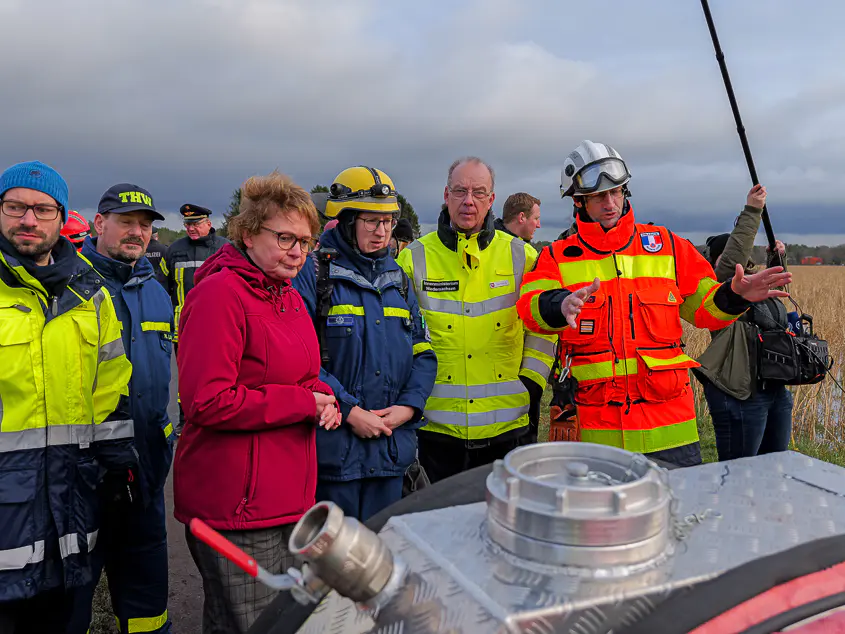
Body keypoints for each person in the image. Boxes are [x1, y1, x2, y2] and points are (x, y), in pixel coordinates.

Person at [517, 141, 792, 467]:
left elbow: (705, 311)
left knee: (675, 518)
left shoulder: (667, 246)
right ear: (579, 201)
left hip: (671, 435)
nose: (610, 202)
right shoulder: (556, 257)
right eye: (599, 196)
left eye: (616, 192)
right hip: (596, 438)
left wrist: (736, 296)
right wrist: (558, 305)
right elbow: (530, 308)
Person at [173, 171, 341, 634]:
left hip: (286, 495)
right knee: (258, 625)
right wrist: (303, 403)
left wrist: (324, 399)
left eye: (305, 242)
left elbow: (304, 378)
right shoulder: (220, 294)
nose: (297, 252)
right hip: (238, 504)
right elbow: (207, 401)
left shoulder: (287, 297)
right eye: (285, 237)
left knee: (262, 620)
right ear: (248, 233)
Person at [0, 161, 135, 630]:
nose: (28, 220)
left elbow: (111, 385)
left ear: (61, 217)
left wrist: (118, 463)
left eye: (42, 208)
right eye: (15, 207)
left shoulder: (90, 294)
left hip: (71, 501)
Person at [396, 157, 556, 483]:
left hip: (507, 428)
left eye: (478, 192)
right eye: (460, 191)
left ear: (491, 199)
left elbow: (541, 330)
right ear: (446, 194)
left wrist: (531, 384)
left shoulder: (522, 256)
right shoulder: (413, 258)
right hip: (437, 432)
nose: (469, 201)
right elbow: (399, 340)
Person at [293, 166, 437, 521]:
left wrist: (410, 407)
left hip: (391, 455)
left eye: (387, 222)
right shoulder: (312, 276)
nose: (382, 232)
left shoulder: (398, 279)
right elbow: (300, 361)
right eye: (371, 221)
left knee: (383, 565)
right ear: (345, 220)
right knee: (330, 569)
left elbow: (423, 351)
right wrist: (349, 412)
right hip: (334, 458)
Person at [69, 185, 175, 634]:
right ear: (99, 223)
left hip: (145, 470)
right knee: (68, 600)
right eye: (127, 221)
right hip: (81, 475)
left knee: (147, 602)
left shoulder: (156, 292)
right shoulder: (70, 283)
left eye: (146, 225)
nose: (137, 232)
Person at [694, 184, 794, 460]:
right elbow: (734, 258)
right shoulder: (719, 288)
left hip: (775, 390)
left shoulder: (754, 287)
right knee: (739, 475)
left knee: (774, 466)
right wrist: (753, 211)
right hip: (738, 394)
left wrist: (776, 257)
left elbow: (775, 289)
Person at [160, 204, 228, 432]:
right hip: (183, 326)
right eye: (188, 224)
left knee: (220, 371)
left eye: (196, 223)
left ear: (209, 223)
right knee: (187, 375)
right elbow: (162, 286)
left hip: (219, 324)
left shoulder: (225, 248)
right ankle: (185, 419)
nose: (191, 228)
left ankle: (219, 416)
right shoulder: (174, 250)